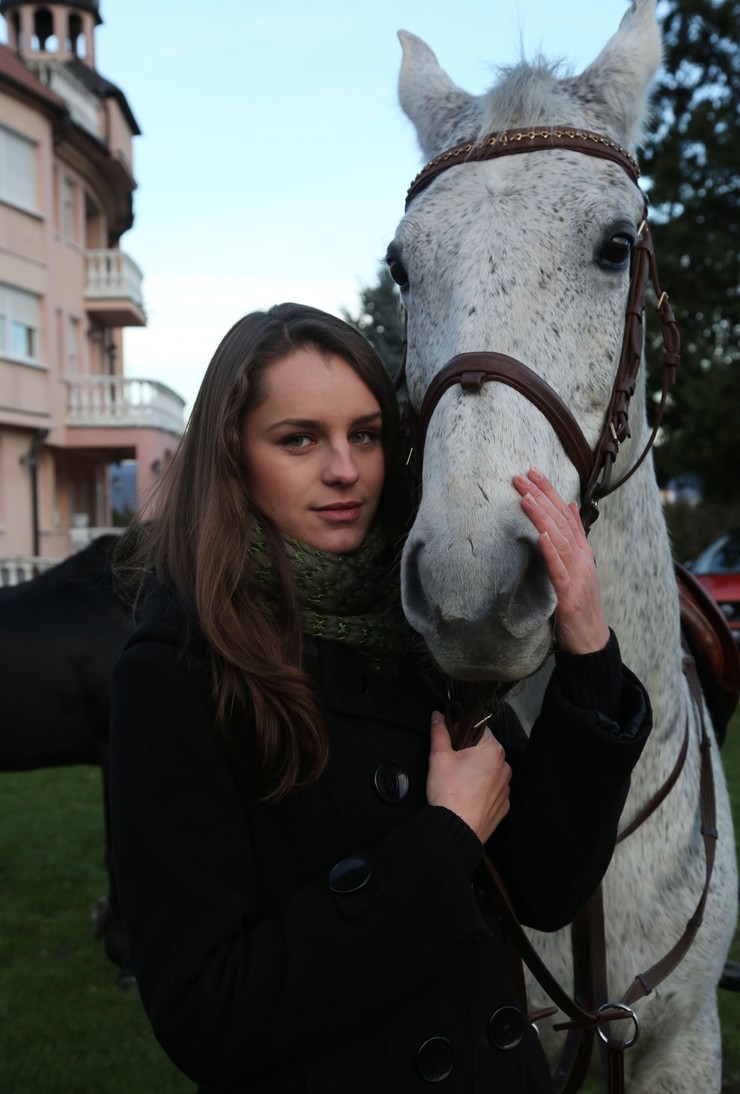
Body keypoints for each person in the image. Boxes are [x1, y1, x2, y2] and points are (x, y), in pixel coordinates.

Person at [109, 302, 651, 1094]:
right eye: (299, 439)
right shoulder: (176, 672)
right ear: (231, 456)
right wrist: (441, 839)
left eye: (365, 434)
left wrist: (589, 651)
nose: (345, 470)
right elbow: (207, 1011)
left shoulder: (416, 628)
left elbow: (549, 885)